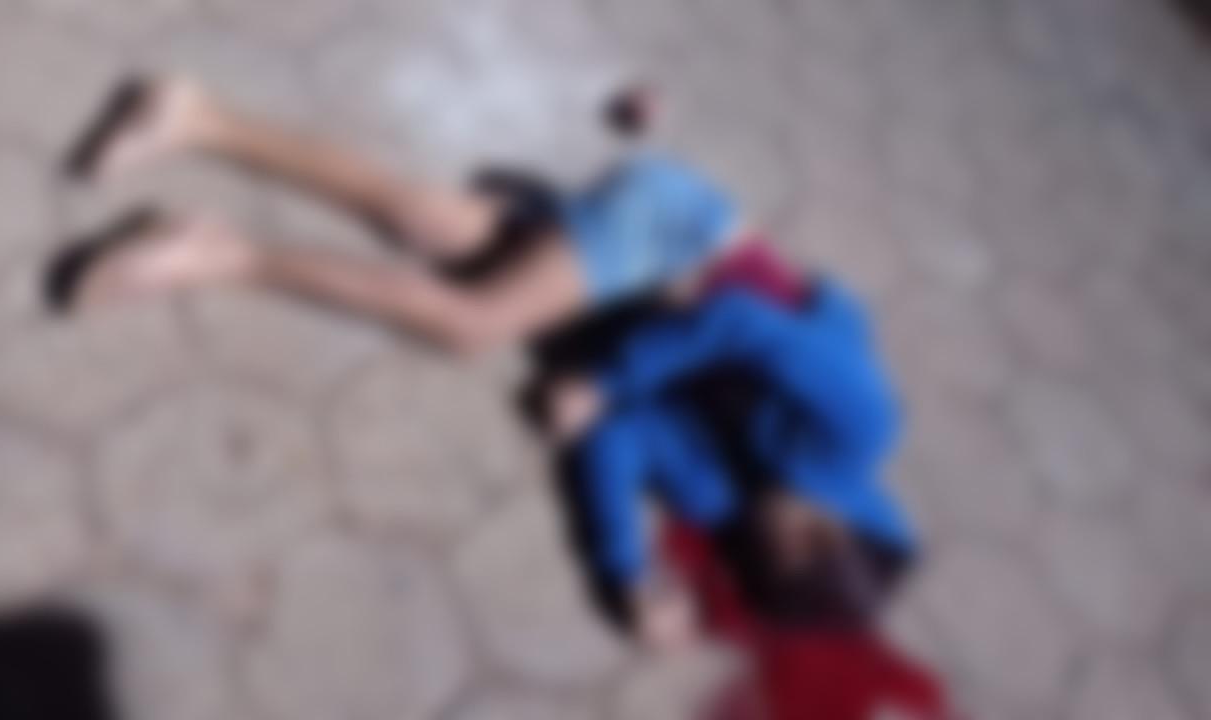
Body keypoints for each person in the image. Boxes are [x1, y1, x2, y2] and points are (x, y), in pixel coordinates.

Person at [47, 77, 745, 356]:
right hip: (688, 243)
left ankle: (194, 118)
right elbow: (746, 326)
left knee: (427, 223)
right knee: (477, 323)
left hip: (676, 212)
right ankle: (218, 254)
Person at [537, 250, 917, 653]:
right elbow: (739, 320)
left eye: (764, 559)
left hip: (683, 352)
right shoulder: (865, 427)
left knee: (569, 333)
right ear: (825, 536)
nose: (761, 541)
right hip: (744, 289)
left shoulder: (722, 506)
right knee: (658, 286)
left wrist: (629, 577)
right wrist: (605, 382)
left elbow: (617, 434)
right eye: (781, 549)